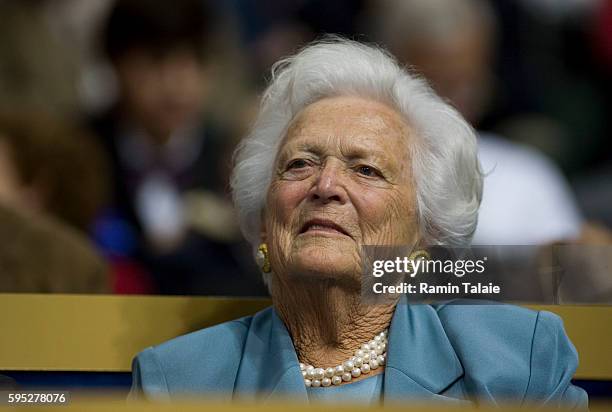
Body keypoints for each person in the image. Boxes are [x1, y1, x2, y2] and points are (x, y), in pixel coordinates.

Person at [130, 39, 587, 406]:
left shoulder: (515, 360)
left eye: (365, 169)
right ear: (265, 222)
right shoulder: (176, 382)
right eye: (299, 164)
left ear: (423, 234)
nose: (325, 185)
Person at [91, 0, 265, 295]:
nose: (174, 84)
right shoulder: (82, 153)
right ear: (116, 65)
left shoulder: (234, 159)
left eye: (190, 62)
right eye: (155, 62)